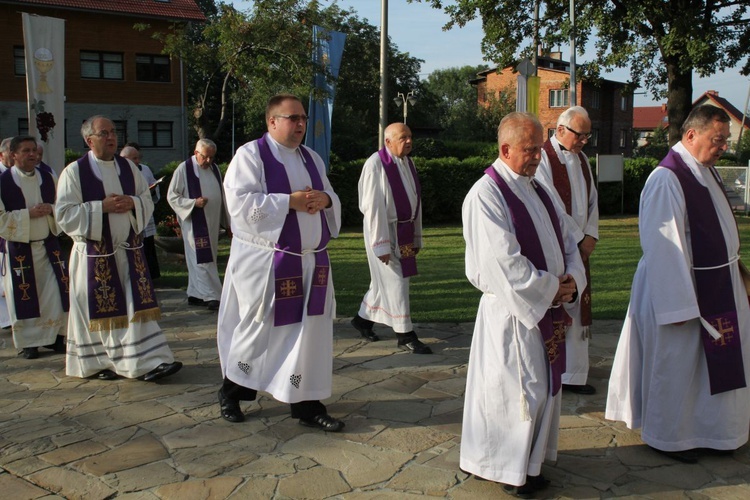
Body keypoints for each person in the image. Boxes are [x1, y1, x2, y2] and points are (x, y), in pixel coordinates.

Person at [605, 105, 750, 464]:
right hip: (682, 291)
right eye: (718, 140)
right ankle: (670, 437)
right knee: (678, 366)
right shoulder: (667, 178)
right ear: (691, 135)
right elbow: (663, 246)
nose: (723, 148)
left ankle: (715, 431)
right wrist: (681, 307)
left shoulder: (704, 170)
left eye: (725, 141)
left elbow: (717, 230)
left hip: (717, 282)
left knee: (709, 369)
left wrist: (738, 270)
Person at [460, 112, 586, 496]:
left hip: (544, 305)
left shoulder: (539, 188)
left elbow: (570, 241)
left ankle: (529, 463)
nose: (536, 156)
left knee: (542, 388)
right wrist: (551, 289)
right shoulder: (486, 194)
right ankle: (504, 466)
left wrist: (572, 282)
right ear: (505, 149)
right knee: (514, 393)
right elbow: (503, 262)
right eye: (529, 150)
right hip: (512, 314)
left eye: (538, 148)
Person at [216, 94, 344, 431]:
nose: (301, 124)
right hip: (269, 263)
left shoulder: (312, 158)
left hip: (310, 263)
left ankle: (307, 405)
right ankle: (232, 391)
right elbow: (241, 206)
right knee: (259, 333)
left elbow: (331, 196)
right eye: (292, 118)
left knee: (308, 335)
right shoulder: (250, 156)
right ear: (271, 121)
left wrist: (325, 199)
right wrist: (290, 202)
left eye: (302, 118)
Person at [55, 115, 182, 381]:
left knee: (136, 309)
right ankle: (97, 362)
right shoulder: (74, 172)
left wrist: (133, 202)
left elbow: (146, 199)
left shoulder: (129, 168)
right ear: (89, 141)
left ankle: (149, 361)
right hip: (94, 257)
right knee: (100, 312)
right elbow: (64, 215)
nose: (111, 137)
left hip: (128, 252)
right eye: (104, 133)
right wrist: (101, 207)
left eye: (113, 132)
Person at [350, 122, 431, 354]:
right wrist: (380, 243)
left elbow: (416, 201)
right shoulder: (376, 164)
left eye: (410, 136)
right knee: (397, 281)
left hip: (404, 231)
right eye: (403, 137)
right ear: (388, 142)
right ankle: (405, 333)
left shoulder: (408, 162)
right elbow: (372, 206)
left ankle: (362, 320)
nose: (409, 141)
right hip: (384, 231)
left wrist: (416, 236)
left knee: (384, 284)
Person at [535, 106, 599, 395]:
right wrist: (578, 238)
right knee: (559, 302)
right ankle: (554, 367)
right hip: (557, 244)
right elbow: (551, 204)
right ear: (560, 130)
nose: (584, 140)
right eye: (580, 134)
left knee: (578, 302)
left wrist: (592, 235)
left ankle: (575, 373)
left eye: (587, 135)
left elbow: (592, 200)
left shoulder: (583, 159)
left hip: (581, 246)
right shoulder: (544, 158)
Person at [0, 136, 68, 358]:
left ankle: (56, 337)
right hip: (20, 250)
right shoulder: (3, 182)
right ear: (13, 155)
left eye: (35, 151)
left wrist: (51, 209)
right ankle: (28, 343)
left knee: (55, 293)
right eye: (26, 151)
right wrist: (27, 214)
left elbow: (64, 206)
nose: (33, 155)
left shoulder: (48, 178)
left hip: (48, 246)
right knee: (24, 295)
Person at [167, 139, 229, 311]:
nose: (208, 161)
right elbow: (172, 196)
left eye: (211, 157)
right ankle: (212, 295)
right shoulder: (183, 169)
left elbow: (222, 195)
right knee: (202, 259)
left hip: (212, 221)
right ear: (196, 153)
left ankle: (195, 294)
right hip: (195, 222)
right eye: (205, 157)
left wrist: (228, 222)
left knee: (206, 258)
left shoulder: (214, 169)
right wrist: (193, 203)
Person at [120, 144, 161, 279]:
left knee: (147, 246)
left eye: (138, 158)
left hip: (144, 212)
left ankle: (151, 275)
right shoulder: (118, 172)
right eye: (134, 158)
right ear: (125, 158)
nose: (138, 161)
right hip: (128, 215)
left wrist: (153, 189)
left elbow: (153, 184)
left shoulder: (145, 169)